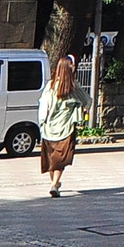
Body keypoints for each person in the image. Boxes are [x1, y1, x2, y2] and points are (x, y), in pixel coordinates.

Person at [38, 54, 83, 197]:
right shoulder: (73, 88)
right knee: (60, 159)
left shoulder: (50, 86)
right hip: (66, 128)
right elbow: (88, 101)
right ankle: (54, 184)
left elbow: (43, 106)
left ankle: (55, 183)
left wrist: (42, 123)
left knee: (52, 158)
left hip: (49, 129)